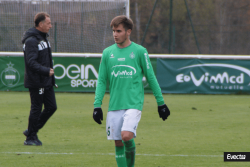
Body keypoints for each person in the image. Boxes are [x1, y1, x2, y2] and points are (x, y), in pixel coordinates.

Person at [93, 15, 170, 167]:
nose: (115, 34)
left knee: (126, 136)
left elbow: (151, 78)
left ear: (128, 32)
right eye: (113, 31)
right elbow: (102, 81)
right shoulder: (108, 53)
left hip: (133, 103)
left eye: (119, 31)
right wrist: (97, 105)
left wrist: (161, 103)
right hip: (115, 105)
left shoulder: (140, 52)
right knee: (118, 143)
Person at [22, 12, 57, 146]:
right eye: (48, 23)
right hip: (36, 81)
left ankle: (32, 130)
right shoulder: (31, 40)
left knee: (51, 107)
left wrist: (50, 77)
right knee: (36, 108)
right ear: (41, 24)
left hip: (46, 80)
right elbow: (31, 62)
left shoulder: (43, 38)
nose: (51, 26)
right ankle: (30, 138)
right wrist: (45, 71)